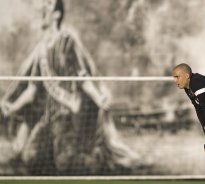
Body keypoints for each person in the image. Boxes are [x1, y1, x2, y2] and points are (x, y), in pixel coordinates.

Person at [1, 0, 142, 175]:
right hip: (48, 117)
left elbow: (82, 77)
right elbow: (32, 90)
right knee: (31, 158)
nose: (44, 8)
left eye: (49, 4)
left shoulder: (67, 40)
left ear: (57, 15)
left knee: (65, 164)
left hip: (67, 114)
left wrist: (99, 98)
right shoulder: (41, 49)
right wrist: (12, 107)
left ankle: (93, 155)